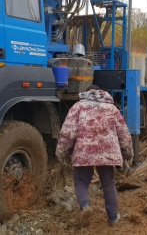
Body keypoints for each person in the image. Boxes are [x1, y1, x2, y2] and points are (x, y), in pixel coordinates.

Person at [55, 85, 134, 227]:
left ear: (86, 93)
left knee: (81, 182)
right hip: (107, 153)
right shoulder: (112, 109)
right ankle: (113, 217)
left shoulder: (78, 107)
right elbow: (124, 133)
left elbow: (68, 132)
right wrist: (128, 152)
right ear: (102, 93)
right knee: (108, 183)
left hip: (84, 152)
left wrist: (62, 152)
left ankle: (85, 206)